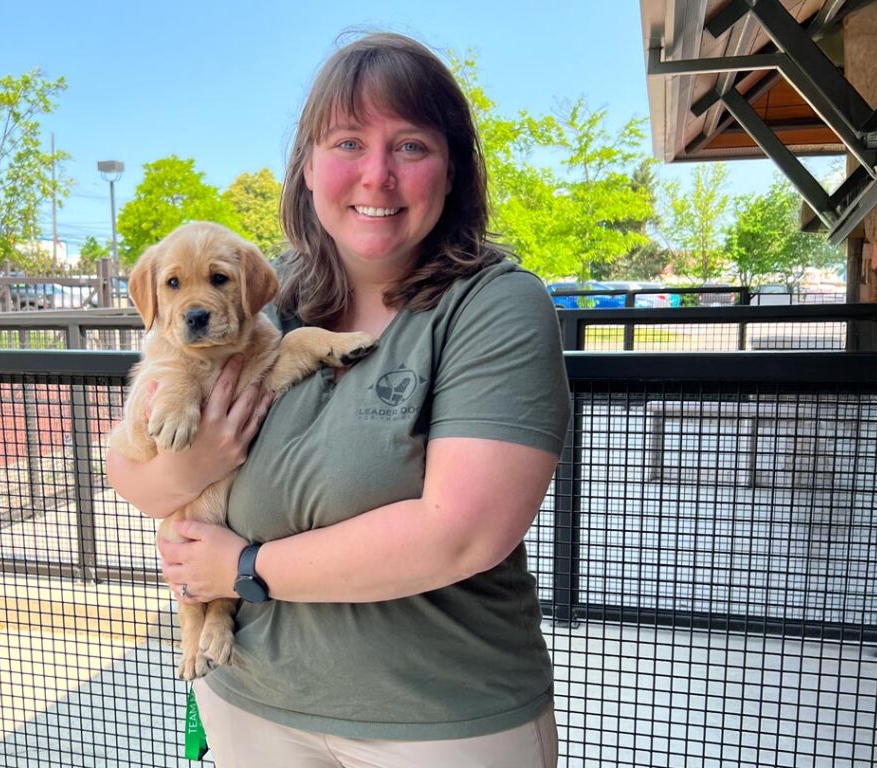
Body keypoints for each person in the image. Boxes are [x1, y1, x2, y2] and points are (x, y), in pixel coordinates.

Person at [107, 31, 571, 768]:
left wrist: (243, 569)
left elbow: (462, 535)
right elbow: (129, 471)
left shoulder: (494, 307)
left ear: (453, 170)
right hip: (249, 698)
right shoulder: (265, 299)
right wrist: (194, 456)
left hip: (440, 719)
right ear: (308, 168)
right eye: (348, 143)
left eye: (411, 146)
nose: (377, 176)